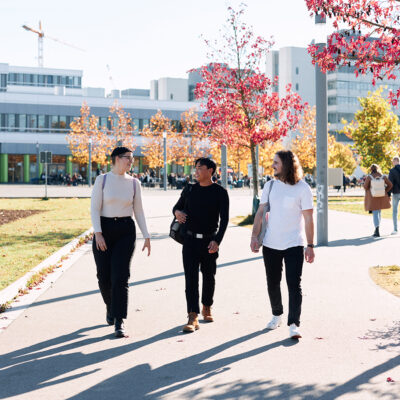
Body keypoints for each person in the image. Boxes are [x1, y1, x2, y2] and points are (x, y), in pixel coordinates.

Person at [250, 150, 315, 340]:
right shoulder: (270, 186)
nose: (272, 165)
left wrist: (310, 245)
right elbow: (261, 212)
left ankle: (294, 323)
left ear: (287, 165)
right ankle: (277, 314)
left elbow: (309, 219)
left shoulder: (303, 188)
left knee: (294, 285)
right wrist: (254, 236)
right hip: (271, 244)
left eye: (276, 162)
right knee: (272, 283)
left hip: (294, 243)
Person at [91, 146, 151, 338]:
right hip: (105, 230)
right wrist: (98, 233)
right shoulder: (102, 180)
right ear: (116, 158)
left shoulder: (134, 183)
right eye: (128, 158)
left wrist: (146, 235)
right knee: (104, 277)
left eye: (132, 159)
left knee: (121, 276)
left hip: (126, 230)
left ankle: (119, 320)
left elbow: (139, 211)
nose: (131, 162)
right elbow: (94, 209)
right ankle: (110, 306)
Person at [173, 158, 229, 333]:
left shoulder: (220, 192)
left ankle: (207, 306)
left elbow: (225, 219)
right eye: (195, 168)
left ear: (210, 170)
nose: (195, 171)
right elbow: (176, 207)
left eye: (199, 168)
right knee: (191, 278)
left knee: (209, 276)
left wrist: (217, 241)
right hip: (189, 240)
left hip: (209, 241)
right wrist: (178, 213)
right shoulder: (189, 189)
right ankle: (192, 315)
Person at [364, 164, 392, 237]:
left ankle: (377, 229)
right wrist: (385, 190)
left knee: (375, 213)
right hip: (381, 197)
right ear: (378, 169)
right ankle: (377, 228)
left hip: (373, 197)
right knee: (379, 213)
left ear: (371, 169)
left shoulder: (369, 177)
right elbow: (390, 185)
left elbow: (365, 187)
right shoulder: (383, 177)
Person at [388, 156, 400, 235]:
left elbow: (390, 183)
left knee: (395, 211)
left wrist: (388, 194)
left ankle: (395, 229)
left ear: (395, 161)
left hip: (396, 192)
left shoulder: (392, 171)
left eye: (393, 161)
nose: (392, 162)